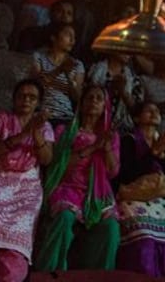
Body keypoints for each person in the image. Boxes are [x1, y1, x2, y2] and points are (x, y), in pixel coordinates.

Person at [0, 78, 53, 282]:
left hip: (26, 186)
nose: (26, 100)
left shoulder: (44, 127)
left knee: (17, 239)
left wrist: (36, 133)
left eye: (32, 97)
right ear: (14, 99)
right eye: (22, 96)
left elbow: (46, 159)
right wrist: (23, 134)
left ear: (38, 103)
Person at [34, 84, 121, 272]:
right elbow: (59, 166)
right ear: (81, 104)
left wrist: (106, 148)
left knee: (111, 228)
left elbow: (112, 172)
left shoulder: (110, 136)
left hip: (97, 192)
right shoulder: (65, 131)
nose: (94, 101)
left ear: (105, 106)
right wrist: (92, 148)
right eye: (90, 97)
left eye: (99, 99)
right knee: (65, 217)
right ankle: (50, 273)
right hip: (68, 187)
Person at [114, 101, 165, 277]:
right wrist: (152, 154)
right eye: (149, 110)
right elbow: (125, 175)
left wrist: (159, 154)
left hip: (158, 201)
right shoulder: (128, 141)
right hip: (132, 199)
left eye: (157, 111)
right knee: (144, 240)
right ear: (136, 118)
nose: (154, 113)